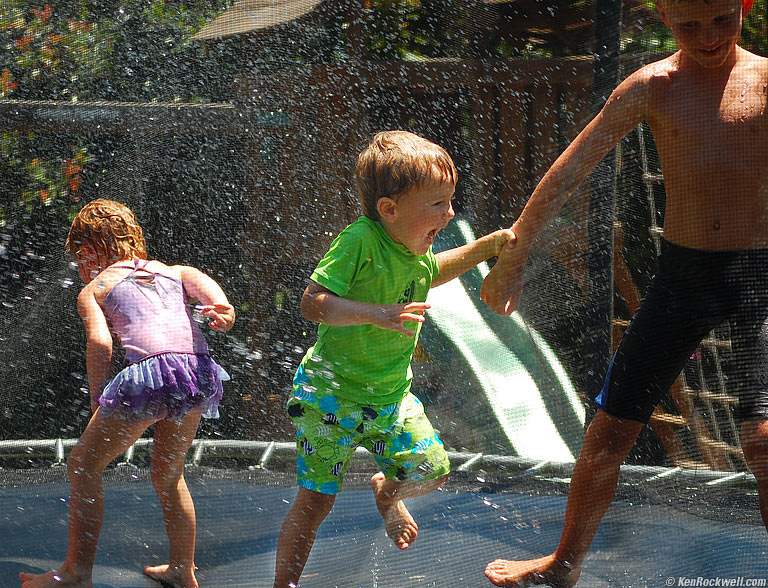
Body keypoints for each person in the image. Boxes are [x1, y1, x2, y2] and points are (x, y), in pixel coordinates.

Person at [480, 0, 767, 585]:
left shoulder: (766, 80)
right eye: (689, 24)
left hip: (760, 279)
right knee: (609, 431)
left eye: (720, 20)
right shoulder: (651, 86)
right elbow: (569, 170)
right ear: (665, 16)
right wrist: (513, 260)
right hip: (683, 280)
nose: (707, 36)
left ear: (744, 6)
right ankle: (563, 565)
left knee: (763, 442)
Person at [273, 130, 516, 587]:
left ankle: (388, 495)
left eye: (450, 201)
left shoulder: (414, 251)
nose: (449, 213)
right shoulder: (361, 241)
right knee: (315, 502)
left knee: (432, 469)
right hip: (329, 397)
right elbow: (312, 302)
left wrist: (486, 247)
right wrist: (376, 314)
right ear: (389, 209)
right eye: (437, 204)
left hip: (388, 397)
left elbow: (434, 272)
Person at [19, 199, 235, 588]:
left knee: (83, 466)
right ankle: (183, 569)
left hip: (150, 376)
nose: (80, 268)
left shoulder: (96, 286)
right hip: (196, 373)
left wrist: (99, 398)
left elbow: (101, 344)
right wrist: (222, 312)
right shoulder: (176, 271)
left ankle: (75, 573)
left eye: (79, 259)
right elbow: (216, 300)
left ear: (87, 253)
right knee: (168, 473)